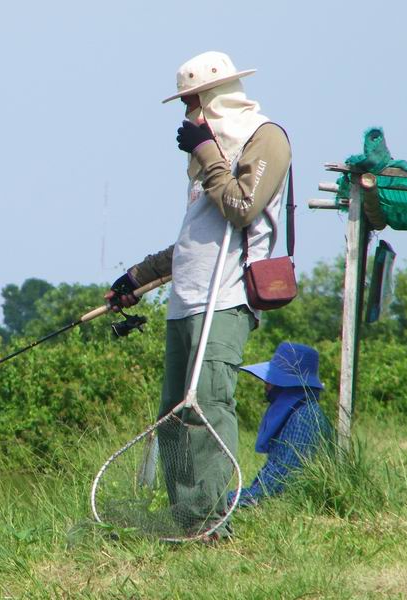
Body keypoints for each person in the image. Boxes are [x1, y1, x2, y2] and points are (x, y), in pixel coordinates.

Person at [105, 51, 292, 540]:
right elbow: (194, 241)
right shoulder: (206, 159)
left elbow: (242, 207)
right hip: (184, 303)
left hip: (226, 300)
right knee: (173, 417)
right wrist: (136, 277)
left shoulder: (263, 136)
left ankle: (213, 525)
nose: (187, 113)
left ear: (214, 96)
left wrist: (208, 149)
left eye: (192, 101)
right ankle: (186, 519)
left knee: (207, 407)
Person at [228, 342, 331, 507]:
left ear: (288, 384)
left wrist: (226, 502)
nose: (266, 384)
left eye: (272, 379)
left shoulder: (303, 417)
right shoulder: (295, 412)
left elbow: (281, 482)